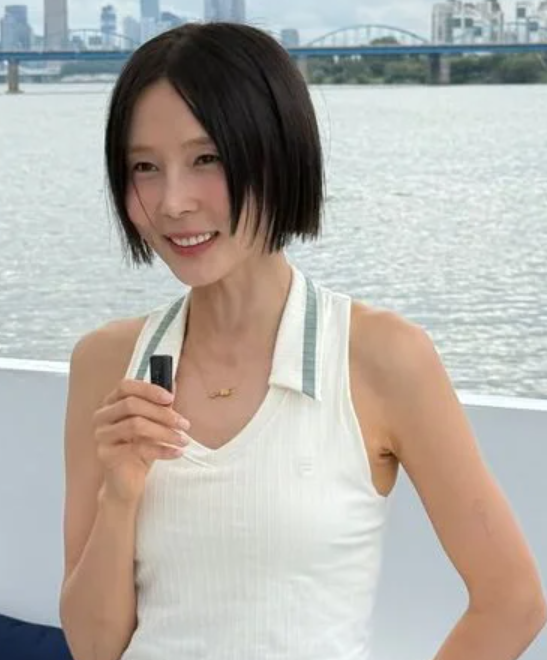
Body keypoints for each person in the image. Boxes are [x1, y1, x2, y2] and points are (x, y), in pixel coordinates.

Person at [59, 22, 546, 660]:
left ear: (278, 153)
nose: (172, 202)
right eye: (144, 167)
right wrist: (121, 492)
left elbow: (512, 600)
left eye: (207, 159)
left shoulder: (381, 357)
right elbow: (93, 647)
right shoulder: (105, 363)